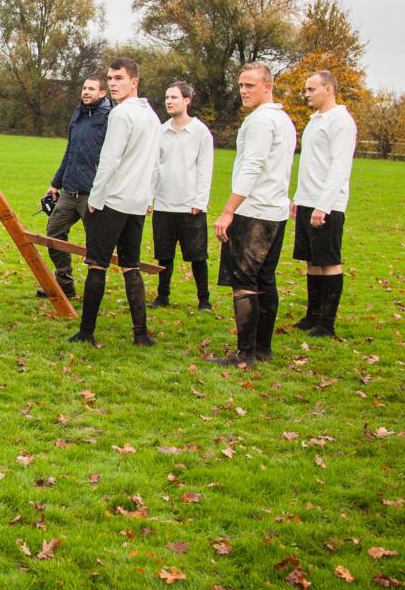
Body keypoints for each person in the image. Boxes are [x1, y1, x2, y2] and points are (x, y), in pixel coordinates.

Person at [69, 57, 160, 347]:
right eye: (110, 79)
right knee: (131, 266)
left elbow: (109, 160)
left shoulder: (121, 115)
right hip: (137, 202)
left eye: (119, 78)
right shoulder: (152, 115)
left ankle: (86, 331)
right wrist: (149, 197)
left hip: (114, 201)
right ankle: (140, 334)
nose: (113, 83)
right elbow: (156, 164)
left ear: (134, 81)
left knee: (97, 265)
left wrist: (95, 199)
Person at [209, 62, 296, 367]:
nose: (243, 91)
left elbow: (252, 167)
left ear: (267, 86)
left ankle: (245, 354)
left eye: (250, 85)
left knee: (245, 281)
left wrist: (228, 210)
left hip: (256, 211)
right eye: (241, 85)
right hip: (275, 211)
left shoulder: (261, 121)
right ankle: (262, 349)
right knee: (264, 279)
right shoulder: (284, 120)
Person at [288, 70, 358, 338]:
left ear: (329, 89)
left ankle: (326, 323)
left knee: (328, 261)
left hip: (327, 204)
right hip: (308, 199)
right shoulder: (315, 120)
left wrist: (323, 205)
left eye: (311, 89)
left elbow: (339, 166)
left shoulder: (341, 121)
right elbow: (311, 163)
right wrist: (299, 196)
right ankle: (312, 315)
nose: (306, 94)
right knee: (312, 260)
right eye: (306, 89)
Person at [38, 73, 109, 300]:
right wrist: (55, 183)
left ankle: (93, 291)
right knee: (54, 233)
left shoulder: (110, 118)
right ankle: (65, 284)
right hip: (69, 190)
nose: (86, 92)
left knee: (95, 243)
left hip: (93, 193)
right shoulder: (77, 114)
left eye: (92, 89)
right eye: (84, 88)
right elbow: (70, 151)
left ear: (102, 93)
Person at [150, 80, 215, 310]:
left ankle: (204, 300)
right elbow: (154, 167)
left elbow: (205, 169)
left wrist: (200, 201)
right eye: (167, 97)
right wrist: (150, 198)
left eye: (174, 97)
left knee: (197, 257)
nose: (169, 101)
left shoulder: (200, 132)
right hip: (164, 205)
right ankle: (162, 296)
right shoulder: (161, 130)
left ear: (187, 101)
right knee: (164, 256)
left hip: (190, 207)